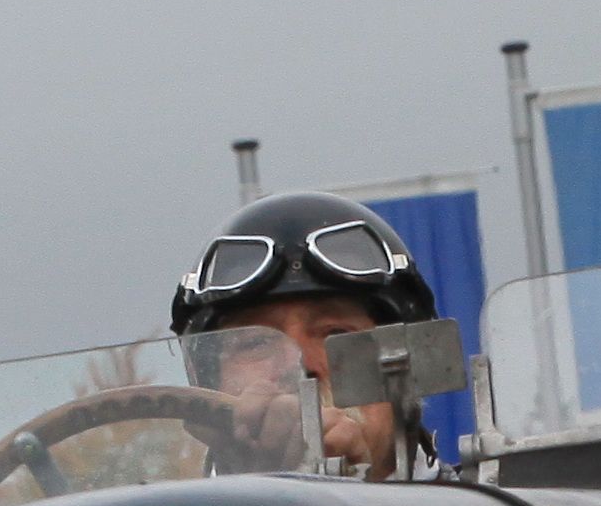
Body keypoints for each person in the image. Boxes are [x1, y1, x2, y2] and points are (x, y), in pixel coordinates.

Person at [169, 191, 439, 480]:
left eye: (336, 333)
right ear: (206, 382)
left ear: (406, 366)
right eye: (255, 342)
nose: (299, 365)